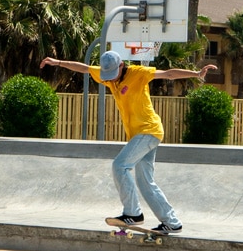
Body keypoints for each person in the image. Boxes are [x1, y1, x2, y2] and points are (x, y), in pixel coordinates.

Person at [41, 51, 216, 234]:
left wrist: (196, 74)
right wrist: (58, 62)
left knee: (119, 165)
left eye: (114, 75)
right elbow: (83, 68)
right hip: (138, 135)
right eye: (107, 76)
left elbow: (168, 74)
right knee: (145, 182)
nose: (111, 80)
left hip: (149, 130)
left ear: (122, 66)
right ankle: (172, 222)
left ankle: (133, 213)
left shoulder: (138, 73)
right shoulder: (106, 76)